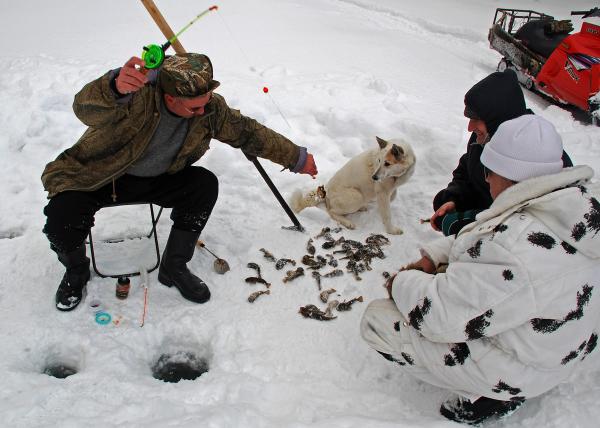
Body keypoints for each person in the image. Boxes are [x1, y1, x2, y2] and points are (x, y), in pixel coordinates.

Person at [361, 115, 600, 425]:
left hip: (526, 370)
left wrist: (401, 282)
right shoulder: (572, 207)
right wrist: (435, 255)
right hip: (557, 348)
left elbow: (437, 315)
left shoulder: (514, 247)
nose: (486, 179)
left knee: (378, 320)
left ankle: (492, 395)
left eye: (490, 171)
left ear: (511, 174)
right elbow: (489, 234)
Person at [42, 53, 317, 311]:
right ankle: (75, 270)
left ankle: (174, 265)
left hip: (161, 178)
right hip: (101, 175)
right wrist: (112, 87)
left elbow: (248, 132)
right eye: (195, 107)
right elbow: (84, 108)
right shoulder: (136, 97)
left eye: (206, 102)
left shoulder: (209, 108)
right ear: (171, 98)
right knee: (60, 216)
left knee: (203, 185)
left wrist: (295, 158)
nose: (203, 111)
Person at [430, 69, 572, 235]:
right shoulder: (485, 136)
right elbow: (467, 172)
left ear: (497, 117)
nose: (470, 127)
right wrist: (455, 200)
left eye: (476, 119)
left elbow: (536, 219)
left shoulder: (540, 153)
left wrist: (474, 223)